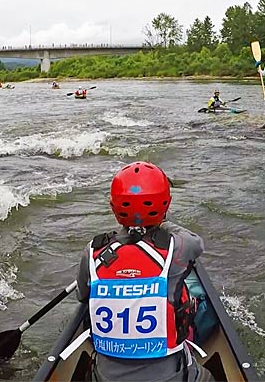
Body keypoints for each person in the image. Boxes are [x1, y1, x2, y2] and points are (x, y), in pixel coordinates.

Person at [75, 161, 212, 382]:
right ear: (166, 205)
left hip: (104, 377)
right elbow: (198, 243)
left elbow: (82, 296)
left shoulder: (93, 250)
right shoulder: (178, 246)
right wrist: (161, 223)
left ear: (113, 207)